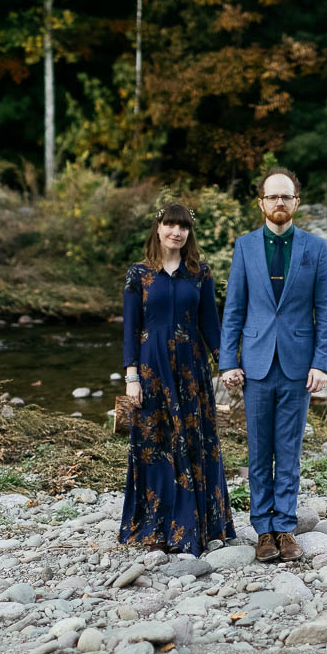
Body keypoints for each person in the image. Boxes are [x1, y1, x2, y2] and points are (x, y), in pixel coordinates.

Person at [219, 168, 327, 563]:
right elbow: (234, 308)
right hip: (254, 365)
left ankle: (284, 528)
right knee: (258, 450)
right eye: (273, 197)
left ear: (296, 202)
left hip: (298, 365)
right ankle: (262, 531)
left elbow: (326, 309)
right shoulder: (245, 246)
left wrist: (321, 363)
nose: (280, 203)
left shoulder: (315, 249)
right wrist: (228, 361)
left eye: (287, 197)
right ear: (262, 203)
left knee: (288, 450)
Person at [118, 204, 234, 555]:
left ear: (188, 233)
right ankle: (153, 527)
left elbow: (211, 326)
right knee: (153, 446)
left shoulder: (200, 273)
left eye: (182, 227)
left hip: (190, 372)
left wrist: (227, 366)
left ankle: (195, 527)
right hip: (151, 370)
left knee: (194, 443)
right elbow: (130, 329)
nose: (176, 232)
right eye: (170, 224)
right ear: (158, 228)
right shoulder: (138, 274)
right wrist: (131, 377)